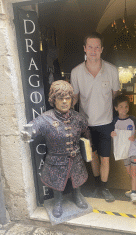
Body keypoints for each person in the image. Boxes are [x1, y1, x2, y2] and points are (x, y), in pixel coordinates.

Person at [21, 80, 91, 218]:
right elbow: (34, 126)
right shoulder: (45, 118)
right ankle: (57, 202)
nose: (65, 101)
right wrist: (28, 133)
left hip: (75, 158)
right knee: (56, 181)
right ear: (54, 100)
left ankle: (77, 197)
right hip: (55, 160)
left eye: (68, 98)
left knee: (76, 178)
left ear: (71, 99)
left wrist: (88, 146)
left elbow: (86, 131)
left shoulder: (78, 118)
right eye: (60, 98)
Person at [71, 32, 120, 202]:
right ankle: (98, 183)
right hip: (87, 124)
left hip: (106, 123)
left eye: (97, 47)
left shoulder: (112, 70)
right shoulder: (76, 72)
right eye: (90, 47)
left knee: (105, 158)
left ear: (102, 49)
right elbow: (75, 98)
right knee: (93, 157)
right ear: (84, 49)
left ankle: (104, 188)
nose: (93, 50)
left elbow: (114, 95)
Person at [111, 94, 136, 204]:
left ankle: (134, 193)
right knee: (129, 171)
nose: (124, 109)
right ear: (116, 108)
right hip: (124, 152)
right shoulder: (115, 121)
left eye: (126, 106)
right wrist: (112, 134)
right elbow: (113, 133)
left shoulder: (132, 119)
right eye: (121, 106)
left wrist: (135, 135)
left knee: (133, 172)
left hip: (134, 150)